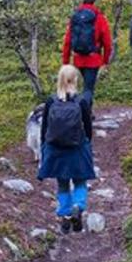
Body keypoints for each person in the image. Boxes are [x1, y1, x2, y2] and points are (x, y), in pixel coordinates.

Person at [37, 65, 95, 234]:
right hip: (77, 148)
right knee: (80, 181)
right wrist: (87, 143)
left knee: (62, 185)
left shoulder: (51, 101)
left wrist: (44, 147)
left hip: (56, 150)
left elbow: (45, 127)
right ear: (75, 79)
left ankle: (65, 217)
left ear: (60, 80)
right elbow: (88, 126)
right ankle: (78, 206)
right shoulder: (81, 100)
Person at [61, 0, 112, 101]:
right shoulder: (99, 18)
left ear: (83, 1)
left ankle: (76, 111)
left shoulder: (75, 17)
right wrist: (105, 61)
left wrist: (65, 61)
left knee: (75, 87)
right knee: (88, 88)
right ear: (94, 2)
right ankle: (86, 114)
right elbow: (107, 42)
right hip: (93, 59)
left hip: (77, 58)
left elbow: (68, 40)